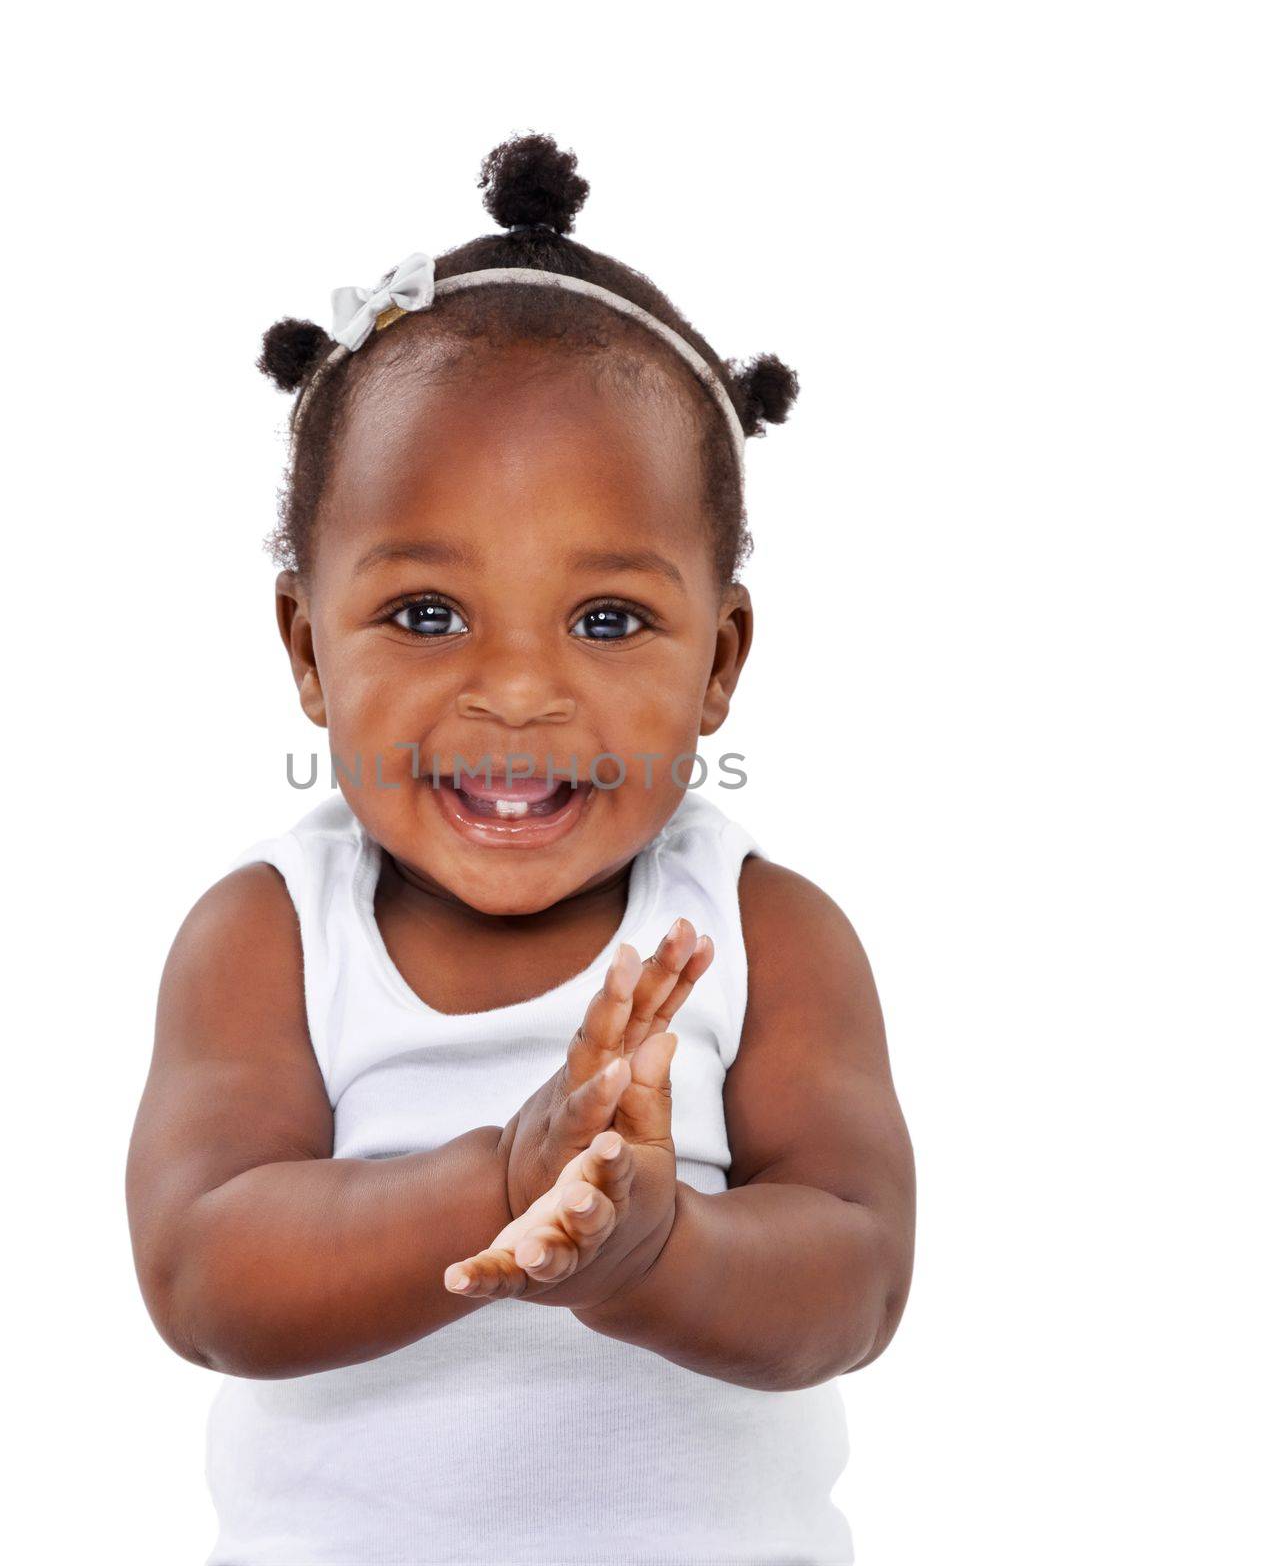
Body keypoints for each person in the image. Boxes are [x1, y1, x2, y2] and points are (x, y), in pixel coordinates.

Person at [126, 132, 916, 1565]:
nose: (516, 690)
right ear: (307, 646)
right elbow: (203, 1276)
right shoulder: (269, 936)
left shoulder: (763, 933)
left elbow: (855, 1281)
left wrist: (651, 1251)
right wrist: (502, 1180)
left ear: (718, 659)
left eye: (607, 620)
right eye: (426, 614)